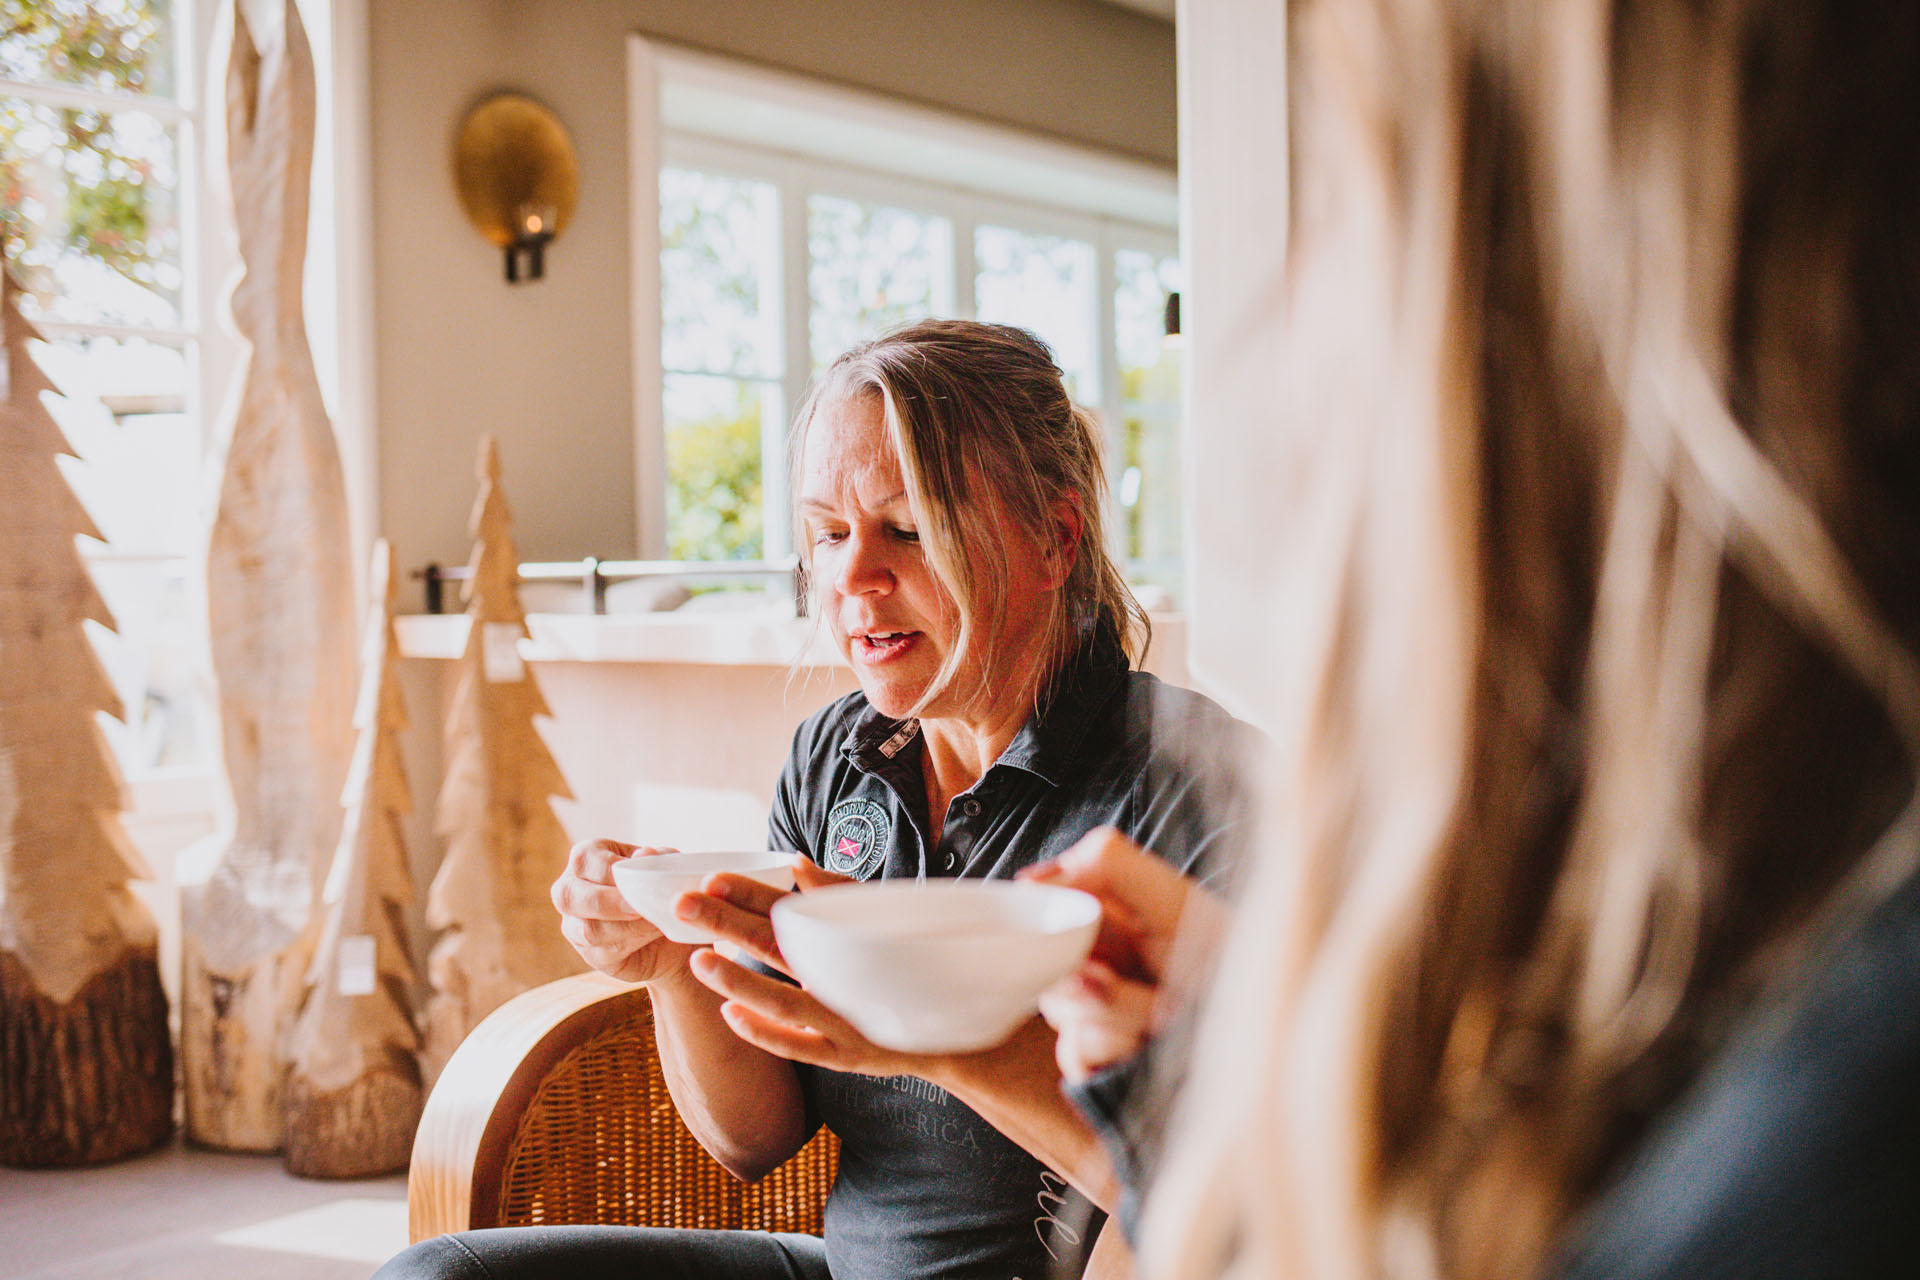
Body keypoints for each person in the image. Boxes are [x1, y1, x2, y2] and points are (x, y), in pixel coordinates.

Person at [1028, 3, 1920, 1279]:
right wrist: (1226, 1039)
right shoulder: (1753, 949)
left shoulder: (1824, 1147)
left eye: (1351, 183)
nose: (1275, 342)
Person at [375, 319, 1254, 1280]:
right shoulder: (837, 757)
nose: (850, 576)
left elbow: (1238, 1202)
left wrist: (923, 1036)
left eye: (908, 529)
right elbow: (752, 1142)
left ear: (1055, 534)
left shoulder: (1197, 790)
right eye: (828, 533)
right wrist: (678, 963)